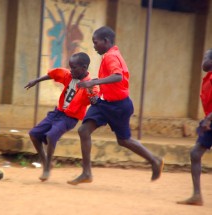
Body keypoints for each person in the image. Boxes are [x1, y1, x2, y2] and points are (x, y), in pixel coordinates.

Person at [67, 26, 164, 185]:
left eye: (95, 42)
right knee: (84, 130)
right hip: (105, 103)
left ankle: (154, 160)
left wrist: (94, 82)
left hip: (119, 106)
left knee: (124, 140)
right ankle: (86, 173)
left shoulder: (111, 56)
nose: (94, 46)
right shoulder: (111, 55)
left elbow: (117, 77)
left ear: (106, 41)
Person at [24, 52, 98, 181]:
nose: (71, 70)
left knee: (51, 135)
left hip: (70, 118)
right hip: (57, 112)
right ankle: (45, 161)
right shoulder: (69, 75)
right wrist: (36, 80)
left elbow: (94, 101)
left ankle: (47, 168)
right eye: (70, 67)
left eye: (74, 67)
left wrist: (90, 89)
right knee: (34, 134)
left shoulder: (90, 84)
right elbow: (53, 74)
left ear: (84, 68)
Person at [177, 49, 212, 206]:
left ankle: (197, 195)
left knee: (195, 153)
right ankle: (197, 195)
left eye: (205, 57)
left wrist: (208, 119)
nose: (203, 61)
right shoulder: (208, 78)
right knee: (195, 153)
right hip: (210, 121)